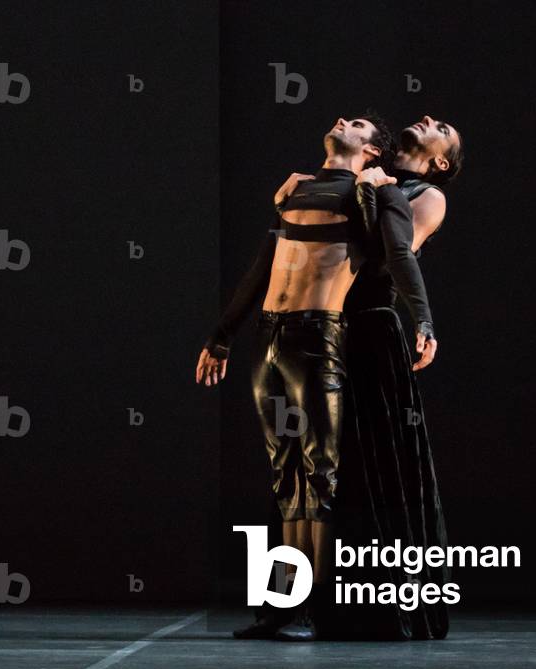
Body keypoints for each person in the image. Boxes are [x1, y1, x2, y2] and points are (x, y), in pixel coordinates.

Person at [195, 112, 436, 641]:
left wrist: (423, 321)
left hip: (319, 337)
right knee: (286, 480)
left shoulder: (379, 192)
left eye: (358, 124)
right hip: (270, 337)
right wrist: (221, 335)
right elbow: (263, 266)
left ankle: (311, 611)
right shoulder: (295, 187)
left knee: (320, 477)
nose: (343, 121)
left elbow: (395, 256)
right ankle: (281, 607)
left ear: (372, 150)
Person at [330, 114, 464, 641]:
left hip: (372, 330)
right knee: (326, 461)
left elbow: (387, 251)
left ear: (441, 160)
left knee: (379, 458)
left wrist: (424, 320)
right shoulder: (368, 172)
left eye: (442, 127)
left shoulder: (428, 195)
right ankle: (315, 601)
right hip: (328, 327)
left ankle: (386, 605)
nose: (428, 118)